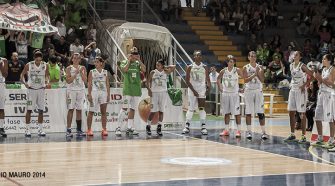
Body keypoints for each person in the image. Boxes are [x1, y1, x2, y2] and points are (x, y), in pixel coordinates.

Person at [284, 51, 313, 143]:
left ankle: (303, 136)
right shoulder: (291, 65)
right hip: (293, 90)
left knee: (302, 113)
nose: (294, 55)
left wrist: (305, 85)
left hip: (301, 91)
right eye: (294, 54)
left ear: (300, 57)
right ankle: (292, 134)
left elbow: (312, 76)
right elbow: (293, 77)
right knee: (291, 112)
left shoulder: (302, 66)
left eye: (296, 54)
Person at [116, 47, 146, 136]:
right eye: (133, 54)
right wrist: (129, 60)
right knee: (124, 108)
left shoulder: (137, 63)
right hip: (128, 90)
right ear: (130, 54)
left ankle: (130, 128)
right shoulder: (125, 62)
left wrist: (139, 60)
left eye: (136, 54)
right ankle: (118, 127)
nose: (134, 56)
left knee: (133, 109)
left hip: (136, 90)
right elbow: (124, 70)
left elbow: (144, 70)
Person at [20, 50, 50, 137]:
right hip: (31, 90)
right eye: (37, 60)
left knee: (41, 110)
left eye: (40, 60)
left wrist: (47, 82)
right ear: (34, 58)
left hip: (41, 90)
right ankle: (27, 130)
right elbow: (21, 75)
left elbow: (47, 75)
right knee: (29, 110)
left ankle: (40, 129)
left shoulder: (45, 65)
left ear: (41, 59)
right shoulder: (29, 65)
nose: (38, 61)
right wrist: (24, 83)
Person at [182, 50, 210, 135]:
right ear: (194, 57)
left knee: (201, 108)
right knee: (191, 109)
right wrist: (194, 91)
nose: (199, 57)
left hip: (202, 90)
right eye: (197, 55)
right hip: (192, 90)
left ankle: (203, 126)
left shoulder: (205, 67)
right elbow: (187, 81)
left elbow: (207, 79)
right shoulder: (189, 67)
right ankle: (187, 126)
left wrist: (209, 87)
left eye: (200, 55)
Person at [242, 51, 268, 140]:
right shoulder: (245, 67)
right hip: (249, 91)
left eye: (254, 56)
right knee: (248, 112)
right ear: (248, 57)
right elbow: (245, 80)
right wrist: (254, 74)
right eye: (251, 56)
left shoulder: (260, 67)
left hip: (258, 91)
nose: (253, 58)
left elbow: (262, 80)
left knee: (260, 112)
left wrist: (258, 74)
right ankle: (249, 132)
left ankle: (264, 132)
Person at [146, 59, 175, 136]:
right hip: (154, 93)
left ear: (162, 65)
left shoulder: (165, 71)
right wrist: (149, 89)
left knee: (161, 111)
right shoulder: (153, 72)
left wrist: (165, 66)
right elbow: (147, 82)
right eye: (156, 65)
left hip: (163, 93)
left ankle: (159, 127)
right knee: (153, 111)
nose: (157, 66)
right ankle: (148, 126)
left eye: (158, 65)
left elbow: (174, 67)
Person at [217, 56, 243, 138]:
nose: (231, 63)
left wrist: (242, 88)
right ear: (227, 62)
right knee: (226, 113)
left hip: (234, 94)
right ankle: (226, 130)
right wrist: (220, 87)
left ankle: (239, 130)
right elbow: (218, 79)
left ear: (234, 62)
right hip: (225, 94)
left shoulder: (237, 70)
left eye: (232, 61)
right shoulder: (223, 71)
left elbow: (244, 78)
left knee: (237, 113)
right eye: (229, 61)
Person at [313, 54, 335, 148]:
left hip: (329, 95)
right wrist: (318, 79)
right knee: (317, 116)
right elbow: (321, 82)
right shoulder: (324, 69)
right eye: (322, 59)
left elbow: (331, 83)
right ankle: (320, 138)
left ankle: (332, 139)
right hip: (321, 94)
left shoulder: (332, 69)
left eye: (324, 59)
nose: (322, 60)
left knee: (330, 118)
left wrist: (320, 79)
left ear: (329, 60)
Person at [86, 56, 110, 136]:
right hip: (94, 93)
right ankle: (89, 129)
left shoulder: (105, 72)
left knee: (103, 112)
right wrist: (89, 94)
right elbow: (89, 84)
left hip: (103, 93)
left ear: (101, 63)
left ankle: (104, 129)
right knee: (91, 111)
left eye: (97, 62)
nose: (95, 63)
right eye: (94, 62)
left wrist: (108, 94)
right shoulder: (92, 71)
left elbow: (107, 84)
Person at [65, 53, 87, 137]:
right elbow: (68, 81)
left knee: (79, 110)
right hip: (71, 91)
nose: (76, 59)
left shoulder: (83, 68)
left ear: (80, 60)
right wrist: (75, 73)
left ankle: (79, 130)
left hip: (80, 90)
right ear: (72, 59)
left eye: (78, 58)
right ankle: (68, 130)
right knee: (71, 109)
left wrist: (81, 73)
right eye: (75, 58)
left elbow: (85, 80)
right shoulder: (68, 68)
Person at [0, 57, 8, 137]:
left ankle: (1, 128)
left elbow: (5, 74)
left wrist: (1, 66)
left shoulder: (4, 60)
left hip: (1, 85)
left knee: (1, 108)